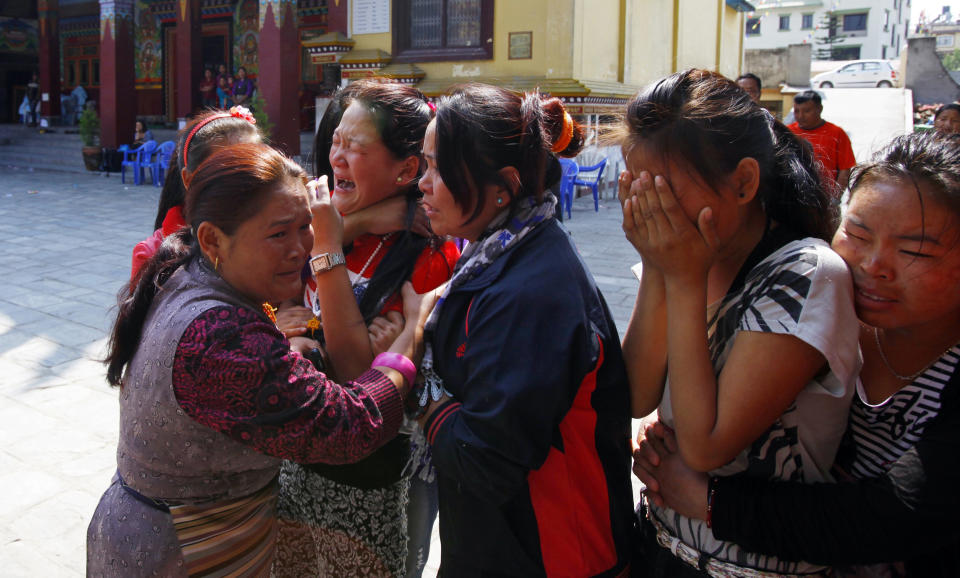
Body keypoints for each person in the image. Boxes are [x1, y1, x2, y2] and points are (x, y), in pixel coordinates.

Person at [87, 141, 438, 576]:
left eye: (306, 227)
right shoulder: (220, 335)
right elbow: (349, 424)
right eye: (278, 234)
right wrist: (408, 339)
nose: (300, 248)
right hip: (182, 552)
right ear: (213, 238)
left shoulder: (188, 273)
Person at [633, 131, 960, 577]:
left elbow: (898, 514)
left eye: (913, 251)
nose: (874, 265)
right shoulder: (820, 309)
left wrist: (711, 502)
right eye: (858, 234)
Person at [619, 69, 860, 576]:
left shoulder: (806, 274)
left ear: (745, 181)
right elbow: (636, 396)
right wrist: (660, 267)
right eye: (636, 185)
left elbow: (705, 445)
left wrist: (682, 277)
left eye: (663, 188)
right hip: (661, 546)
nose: (649, 205)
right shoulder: (678, 259)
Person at [414, 83, 633, 576]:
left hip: (553, 552)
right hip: (503, 543)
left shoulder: (532, 293)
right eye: (423, 165)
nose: (422, 184)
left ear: (504, 185)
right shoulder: (500, 248)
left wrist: (417, 384)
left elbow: (482, 460)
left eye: (437, 168)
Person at [274, 80, 459, 578]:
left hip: (376, 480)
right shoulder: (324, 225)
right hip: (302, 460)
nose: (338, 157)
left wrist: (329, 249)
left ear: (406, 168)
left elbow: (357, 370)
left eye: (357, 147)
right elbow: (282, 303)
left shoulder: (429, 257)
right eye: (336, 140)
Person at [130, 106, 261, 283]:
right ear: (189, 179)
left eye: (255, 169)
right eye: (227, 172)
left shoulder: (274, 233)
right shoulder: (152, 257)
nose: (245, 184)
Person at [789, 90, 856, 194]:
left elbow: (845, 169)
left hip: (826, 198)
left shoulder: (837, 133)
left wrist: (835, 198)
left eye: (806, 111)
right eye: (797, 111)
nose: (800, 116)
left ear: (819, 109)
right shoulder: (787, 132)